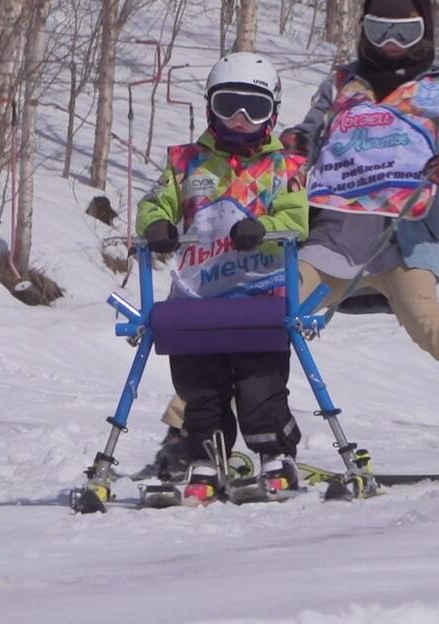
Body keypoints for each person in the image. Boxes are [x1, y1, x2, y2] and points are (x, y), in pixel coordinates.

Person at [145, 0, 439, 477]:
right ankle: (189, 431)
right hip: (335, 238)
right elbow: (306, 135)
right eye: (379, 30)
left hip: (403, 239)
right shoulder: (341, 83)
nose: (391, 45)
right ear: (363, 31)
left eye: (405, 33)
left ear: (426, 33)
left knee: (427, 321)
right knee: (258, 311)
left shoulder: (438, 87)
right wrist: (297, 143)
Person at [135, 53, 311, 503]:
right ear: (210, 106)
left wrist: (265, 229)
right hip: (197, 297)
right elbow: (155, 203)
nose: (240, 117)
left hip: (258, 294)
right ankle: (205, 457)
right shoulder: (186, 164)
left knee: (259, 385)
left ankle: (274, 454)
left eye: (252, 107)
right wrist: (156, 225)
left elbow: (298, 220)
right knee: (200, 388)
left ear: (272, 111)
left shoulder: (284, 168)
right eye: (229, 103)